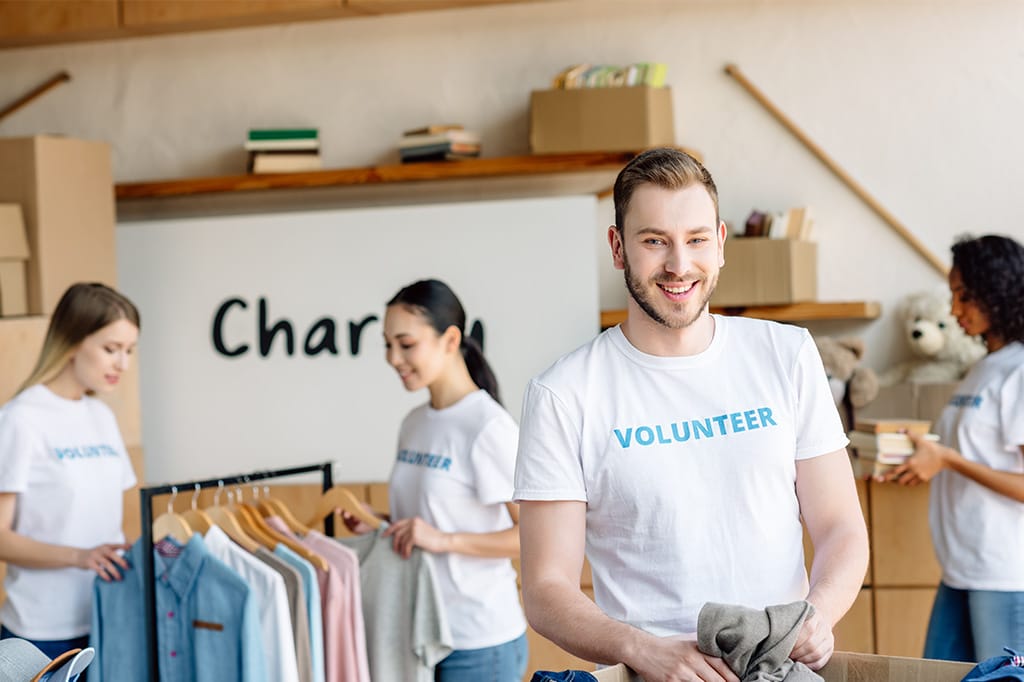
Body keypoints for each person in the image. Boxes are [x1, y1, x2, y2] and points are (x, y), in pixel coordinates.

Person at [513, 148, 869, 682]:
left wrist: (816, 616)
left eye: (697, 240)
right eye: (655, 241)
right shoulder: (564, 393)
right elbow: (544, 589)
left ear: (720, 244)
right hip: (649, 675)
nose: (679, 265)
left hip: (779, 668)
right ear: (618, 248)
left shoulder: (786, 354)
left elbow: (841, 526)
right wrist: (643, 649)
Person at [342, 279, 528, 682]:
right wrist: (379, 524)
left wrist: (445, 540)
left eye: (405, 344)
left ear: (450, 339)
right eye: (387, 344)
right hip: (417, 630)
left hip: (478, 641)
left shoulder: (488, 427)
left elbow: (535, 537)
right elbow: (428, 518)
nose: (393, 358)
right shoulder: (414, 424)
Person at [886, 235, 1024, 662]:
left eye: (963, 296)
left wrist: (946, 459)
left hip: (1005, 574)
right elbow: (969, 452)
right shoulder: (984, 368)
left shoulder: (1019, 369)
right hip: (961, 568)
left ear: (997, 293)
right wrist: (909, 456)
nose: (954, 309)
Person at [0, 282, 139, 661]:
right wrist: (79, 557)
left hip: (109, 616)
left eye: (129, 350)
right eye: (111, 349)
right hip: (41, 632)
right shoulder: (20, 420)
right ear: (73, 341)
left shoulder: (102, 417)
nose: (122, 364)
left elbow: (109, 524)